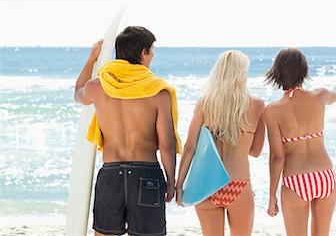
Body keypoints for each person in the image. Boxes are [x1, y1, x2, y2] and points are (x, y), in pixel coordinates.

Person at [74, 26, 182, 236]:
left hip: (110, 174)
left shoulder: (98, 86)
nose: (153, 55)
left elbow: (78, 92)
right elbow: (167, 145)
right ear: (143, 53)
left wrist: (91, 59)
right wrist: (171, 181)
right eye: (151, 50)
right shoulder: (159, 92)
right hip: (147, 173)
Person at [264, 48, 336, 236]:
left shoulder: (272, 111)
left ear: (276, 73)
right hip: (325, 176)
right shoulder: (319, 95)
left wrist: (271, 196)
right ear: (304, 71)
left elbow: (277, 157)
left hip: (296, 181)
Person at [175, 50, 265, 236]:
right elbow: (256, 151)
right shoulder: (256, 105)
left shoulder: (205, 103)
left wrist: (178, 184)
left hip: (206, 185)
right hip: (238, 184)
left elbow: (190, 147)